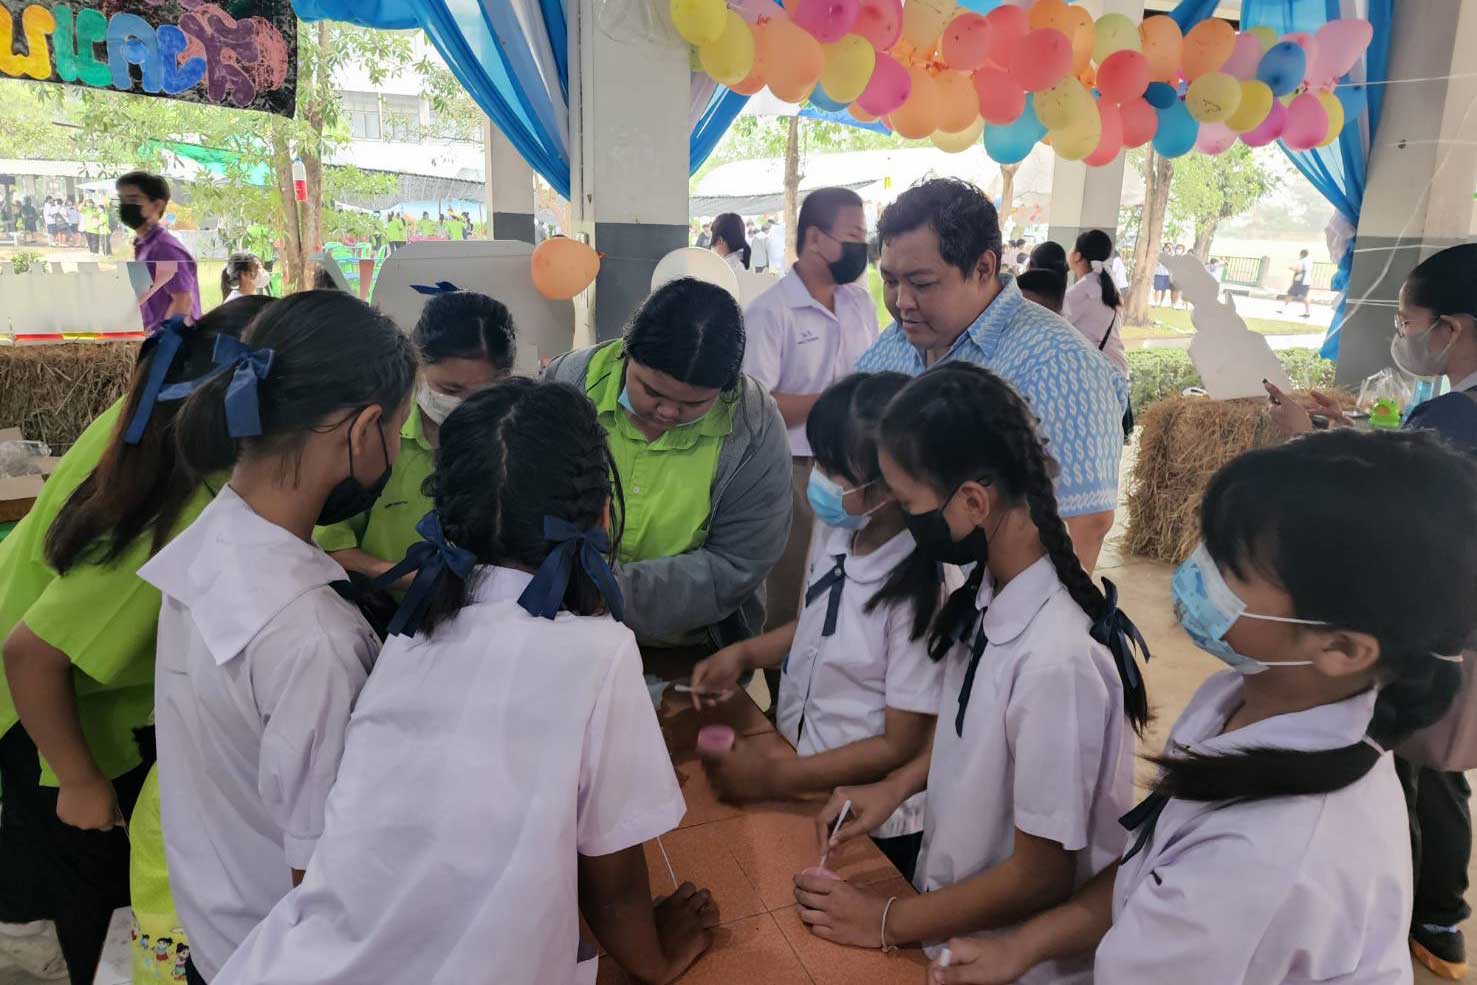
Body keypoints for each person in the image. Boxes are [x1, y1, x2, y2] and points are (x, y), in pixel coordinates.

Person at [212, 379, 720, 985]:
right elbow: (611, 877)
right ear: (603, 516)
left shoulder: (407, 638)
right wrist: (656, 961)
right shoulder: (598, 652)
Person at [929, 428, 1477, 985]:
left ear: (1341, 648)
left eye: (1232, 568)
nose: (1198, 570)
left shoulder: (1263, 859)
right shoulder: (1246, 698)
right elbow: (1152, 861)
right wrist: (1021, 946)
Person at [798, 363, 1149, 975]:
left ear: (972, 502)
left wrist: (883, 921)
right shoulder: (989, 593)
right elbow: (977, 739)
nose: (903, 520)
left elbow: (1041, 874)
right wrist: (896, 786)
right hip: (953, 924)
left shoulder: (1056, 660)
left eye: (909, 504)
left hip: (1010, 962)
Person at [139, 291, 416, 984]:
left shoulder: (211, 541)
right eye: (399, 430)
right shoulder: (314, 636)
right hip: (284, 962)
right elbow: (325, 879)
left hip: (219, 942)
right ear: (366, 430)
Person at [0, 298, 275, 985]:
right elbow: (31, 653)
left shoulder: (163, 416)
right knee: (79, 903)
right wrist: (79, 779)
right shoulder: (176, 516)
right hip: (41, 711)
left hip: (74, 688)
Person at [1268, 243, 1477, 979]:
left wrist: (1304, 442)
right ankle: (1441, 917)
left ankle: (1405, 920)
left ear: (1451, 328)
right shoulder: (1452, 413)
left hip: (1434, 624)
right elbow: (1416, 465)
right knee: (1439, 767)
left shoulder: (1455, 414)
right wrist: (1346, 432)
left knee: (1405, 769)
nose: (1402, 334)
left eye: (1407, 321)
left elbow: (1392, 502)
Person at [690, 374, 947, 882]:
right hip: (808, 771)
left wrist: (778, 775)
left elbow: (898, 744)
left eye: (836, 471)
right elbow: (816, 624)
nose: (820, 480)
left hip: (871, 814)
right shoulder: (840, 530)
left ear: (893, 487)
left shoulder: (921, 588)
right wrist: (746, 654)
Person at [855, 178, 1129, 572]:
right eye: (890, 280)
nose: (901, 302)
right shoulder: (895, 343)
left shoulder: (1060, 366)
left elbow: (1085, 527)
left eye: (921, 283)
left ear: (983, 267)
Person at [544, 278, 791, 659]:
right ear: (626, 352)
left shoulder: (753, 427)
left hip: (690, 648)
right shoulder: (570, 384)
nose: (668, 412)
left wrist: (606, 591)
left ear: (725, 388)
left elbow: (737, 563)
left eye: (694, 404)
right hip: (564, 630)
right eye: (652, 391)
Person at [742, 187, 879, 674]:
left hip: (858, 470)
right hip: (796, 471)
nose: (862, 246)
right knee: (788, 588)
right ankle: (782, 693)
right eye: (854, 236)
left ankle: (829, 682)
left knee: (848, 580)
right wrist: (835, 402)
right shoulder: (771, 312)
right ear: (816, 238)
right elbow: (758, 405)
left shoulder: (860, 304)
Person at [317, 289, 515, 587]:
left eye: (482, 394)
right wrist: (416, 581)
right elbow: (330, 547)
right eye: (450, 390)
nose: (464, 405)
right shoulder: (376, 437)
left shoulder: (511, 444)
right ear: (416, 366)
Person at [115, 172, 201, 335]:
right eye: (122, 200)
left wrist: (162, 342)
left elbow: (183, 301)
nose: (125, 206)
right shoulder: (143, 243)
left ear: (157, 206)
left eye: (133, 200)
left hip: (173, 342)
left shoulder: (164, 249)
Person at [1063, 230, 1128, 378]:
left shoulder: (1085, 290)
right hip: (1115, 370)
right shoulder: (1106, 284)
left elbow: (1055, 321)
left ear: (1077, 256)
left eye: (1072, 248)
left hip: (1101, 374)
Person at [1280, 248, 1314, 318]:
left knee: (1292, 294)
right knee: (1299, 295)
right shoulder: (1309, 260)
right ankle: (1307, 312)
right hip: (1306, 281)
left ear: (1302, 254)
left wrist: (1292, 268)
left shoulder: (1302, 261)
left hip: (1300, 281)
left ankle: (1283, 308)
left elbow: (1299, 270)